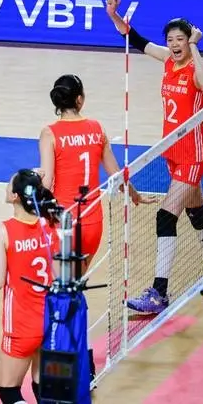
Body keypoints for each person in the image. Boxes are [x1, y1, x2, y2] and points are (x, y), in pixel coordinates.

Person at [105, 0, 203, 313]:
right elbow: (137, 40)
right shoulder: (168, 60)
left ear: (189, 39)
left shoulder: (201, 65)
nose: (174, 44)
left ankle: (159, 293)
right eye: (170, 40)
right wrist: (114, 15)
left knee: (165, 215)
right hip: (172, 151)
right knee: (197, 211)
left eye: (180, 39)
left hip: (193, 153)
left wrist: (195, 46)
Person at [38, 74, 152, 268]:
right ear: (79, 99)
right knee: (77, 281)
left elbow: (46, 183)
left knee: (60, 283)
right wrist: (135, 195)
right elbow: (116, 175)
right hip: (92, 223)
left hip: (63, 221)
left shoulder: (49, 133)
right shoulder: (97, 128)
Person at [0, 169, 61, 404]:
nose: (6, 186)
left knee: (9, 392)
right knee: (42, 387)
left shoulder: (3, 230)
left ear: (15, 196)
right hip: (50, 319)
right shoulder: (49, 223)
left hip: (21, 325)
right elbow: (59, 274)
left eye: (9, 184)